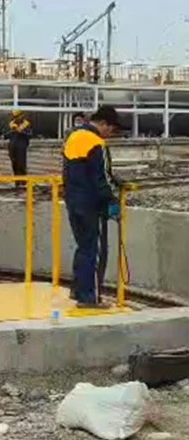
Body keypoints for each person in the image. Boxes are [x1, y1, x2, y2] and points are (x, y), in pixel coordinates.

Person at [62, 105, 122, 308]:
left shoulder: (74, 137)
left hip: (73, 201)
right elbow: (100, 177)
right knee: (94, 250)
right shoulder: (97, 143)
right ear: (103, 124)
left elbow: (79, 171)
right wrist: (112, 201)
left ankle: (78, 291)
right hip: (91, 204)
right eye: (112, 130)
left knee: (83, 248)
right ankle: (90, 298)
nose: (110, 135)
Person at [5, 109, 32, 188]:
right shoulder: (11, 124)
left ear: (22, 115)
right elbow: (5, 135)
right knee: (14, 165)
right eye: (15, 117)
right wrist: (12, 131)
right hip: (12, 147)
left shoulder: (26, 124)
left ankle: (23, 183)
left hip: (21, 147)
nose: (16, 118)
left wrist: (21, 132)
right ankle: (17, 183)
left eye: (18, 116)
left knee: (21, 165)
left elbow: (30, 135)